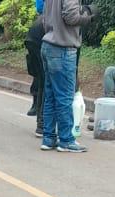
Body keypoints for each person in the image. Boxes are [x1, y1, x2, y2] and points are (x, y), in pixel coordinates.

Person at [40, 0, 96, 154]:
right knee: (64, 97)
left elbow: (44, 18)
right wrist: (88, 17)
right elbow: (71, 18)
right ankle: (66, 140)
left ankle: (48, 138)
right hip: (62, 49)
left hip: (48, 45)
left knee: (50, 96)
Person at [25, 14, 45, 136]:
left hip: (33, 36)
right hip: (39, 40)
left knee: (41, 78)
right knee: (45, 81)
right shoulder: (76, 16)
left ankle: (39, 116)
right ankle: (41, 124)